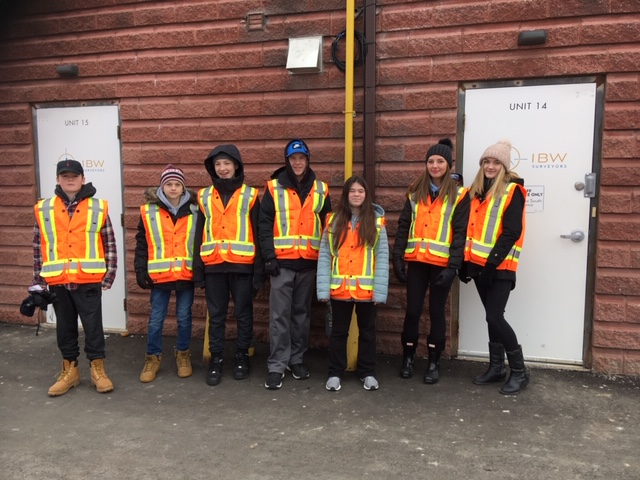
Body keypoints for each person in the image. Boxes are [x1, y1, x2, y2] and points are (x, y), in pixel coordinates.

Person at [32, 159, 117, 396]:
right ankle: (70, 370)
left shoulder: (97, 207)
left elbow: (108, 242)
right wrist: (38, 283)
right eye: (65, 176)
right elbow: (38, 247)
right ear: (58, 180)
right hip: (58, 280)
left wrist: (109, 274)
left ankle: (97, 369)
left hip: (88, 279)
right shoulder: (44, 208)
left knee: (93, 327)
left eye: (74, 176)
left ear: (82, 178)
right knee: (65, 327)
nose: (70, 179)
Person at [392, 139, 470, 384]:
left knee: (437, 313)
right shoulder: (415, 191)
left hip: (441, 265)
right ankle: (408, 357)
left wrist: (453, 267)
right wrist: (397, 256)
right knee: (413, 311)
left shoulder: (459, 195)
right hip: (416, 262)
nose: (435, 166)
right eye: (430, 161)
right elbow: (404, 225)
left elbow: (460, 234)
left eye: (440, 161)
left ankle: (434, 361)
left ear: (448, 165)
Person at [259, 139, 332, 390]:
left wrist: (326, 260)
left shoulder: (321, 189)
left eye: (301, 158)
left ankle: (296, 359)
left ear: (308, 160)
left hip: (308, 263)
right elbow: (264, 225)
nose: (297, 162)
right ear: (287, 161)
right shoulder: (273, 188)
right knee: (279, 315)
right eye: (293, 159)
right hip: (281, 263)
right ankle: (277, 364)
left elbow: (328, 227)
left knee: (302, 315)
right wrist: (269, 257)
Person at [459, 139, 529, 395]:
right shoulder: (475, 192)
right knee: (491, 317)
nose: (490, 166)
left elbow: (512, 232)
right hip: (478, 266)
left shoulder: (512, 191)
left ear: (504, 166)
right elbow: (471, 230)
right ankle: (496, 367)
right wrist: (467, 264)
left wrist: (491, 264)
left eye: (496, 162)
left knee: (494, 316)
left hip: (500, 267)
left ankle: (520, 372)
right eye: (486, 162)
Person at [193, 145, 263, 386]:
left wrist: (258, 273)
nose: (222, 169)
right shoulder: (203, 196)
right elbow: (198, 235)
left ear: (236, 166)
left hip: (243, 266)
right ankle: (217, 360)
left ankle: (242, 357)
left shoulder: (251, 195)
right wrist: (198, 271)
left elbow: (258, 232)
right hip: (213, 266)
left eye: (227, 163)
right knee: (217, 315)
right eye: (218, 165)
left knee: (244, 315)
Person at [317, 176, 388, 392]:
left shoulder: (376, 222)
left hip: (366, 291)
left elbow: (382, 257)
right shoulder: (333, 221)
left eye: (361, 191)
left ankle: (367, 372)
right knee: (338, 333)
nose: (356, 195)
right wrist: (323, 289)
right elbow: (325, 256)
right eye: (352, 191)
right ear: (346, 195)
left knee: (368, 332)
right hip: (339, 289)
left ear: (366, 195)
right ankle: (335, 373)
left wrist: (380, 292)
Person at [134, 164, 198, 383]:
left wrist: (201, 270)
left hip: (185, 274)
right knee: (156, 320)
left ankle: (183, 354)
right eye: (169, 184)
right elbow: (142, 243)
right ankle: (152, 357)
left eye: (177, 184)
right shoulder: (148, 210)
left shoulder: (195, 210)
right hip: (159, 276)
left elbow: (199, 242)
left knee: (184, 316)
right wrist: (140, 268)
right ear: (162, 186)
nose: (173, 188)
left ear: (183, 187)